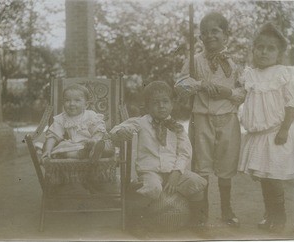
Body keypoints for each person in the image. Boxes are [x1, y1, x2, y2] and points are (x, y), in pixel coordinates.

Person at [174, 12, 245, 228]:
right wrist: (199, 85)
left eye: (215, 31)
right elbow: (180, 87)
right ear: (200, 38)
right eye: (204, 33)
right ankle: (201, 210)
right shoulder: (194, 61)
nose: (209, 36)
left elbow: (244, 92)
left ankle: (226, 209)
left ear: (226, 34)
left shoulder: (235, 63)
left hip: (228, 119)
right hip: (201, 119)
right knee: (201, 164)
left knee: (226, 163)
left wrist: (228, 92)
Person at [110, 81, 207, 229]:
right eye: (155, 103)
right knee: (153, 187)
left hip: (173, 171)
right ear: (147, 107)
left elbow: (185, 152)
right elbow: (120, 128)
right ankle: (135, 220)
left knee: (197, 182)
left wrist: (177, 172)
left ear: (172, 104)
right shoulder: (141, 123)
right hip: (150, 172)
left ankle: (196, 220)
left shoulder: (177, 127)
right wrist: (120, 132)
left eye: (165, 101)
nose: (161, 106)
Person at [238, 23, 294, 232]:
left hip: (277, 133)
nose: (264, 52)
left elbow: (292, 104)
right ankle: (269, 214)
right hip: (259, 135)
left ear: (279, 53)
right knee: (264, 177)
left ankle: (279, 218)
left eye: (271, 48)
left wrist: (284, 130)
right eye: (260, 47)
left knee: (275, 178)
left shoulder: (284, 73)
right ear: (253, 49)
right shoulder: (250, 75)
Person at [42, 84, 114, 161]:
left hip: (91, 143)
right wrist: (48, 150)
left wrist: (94, 139)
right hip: (73, 145)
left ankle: (95, 151)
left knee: (107, 147)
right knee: (60, 150)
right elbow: (53, 136)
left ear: (86, 105)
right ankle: (84, 154)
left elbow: (99, 130)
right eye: (67, 100)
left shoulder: (90, 115)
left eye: (77, 100)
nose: (72, 103)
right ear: (63, 103)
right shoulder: (61, 118)